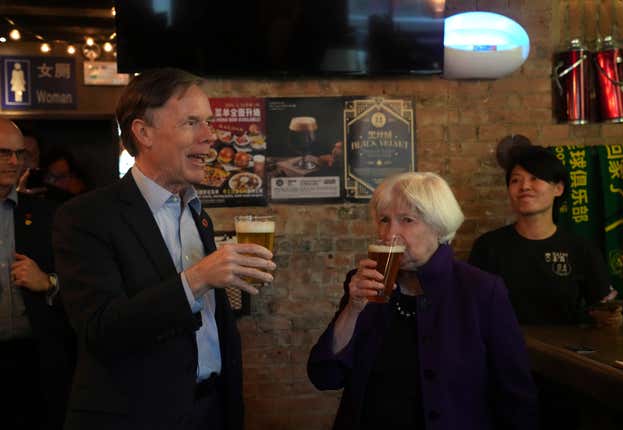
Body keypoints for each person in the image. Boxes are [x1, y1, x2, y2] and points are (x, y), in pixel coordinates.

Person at [53, 68, 275, 430]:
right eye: (191, 123)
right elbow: (100, 330)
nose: (210, 136)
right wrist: (198, 279)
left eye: (208, 122)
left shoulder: (196, 212)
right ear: (143, 133)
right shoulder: (85, 216)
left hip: (212, 409)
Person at [308, 171, 538, 430]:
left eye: (407, 220)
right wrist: (353, 308)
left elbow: (516, 395)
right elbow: (324, 375)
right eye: (384, 220)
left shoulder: (481, 290)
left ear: (439, 226)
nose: (389, 233)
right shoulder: (364, 285)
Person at [468, 144, 623, 327]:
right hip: (502, 351)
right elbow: (469, 309)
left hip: (565, 352)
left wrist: (610, 318)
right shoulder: (488, 247)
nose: (524, 187)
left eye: (535, 178)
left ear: (558, 188)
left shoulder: (581, 248)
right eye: (515, 180)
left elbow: (603, 311)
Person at [0, 118, 75, 430]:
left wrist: (47, 282)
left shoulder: (48, 215)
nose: (15, 162)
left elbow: (82, 287)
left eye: (20, 154)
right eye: (4, 153)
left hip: (36, 365)